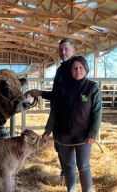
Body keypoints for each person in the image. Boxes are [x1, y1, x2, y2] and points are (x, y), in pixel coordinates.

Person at [42, 55, 102, 192]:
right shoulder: (63, 88)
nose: (78, 71)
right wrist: (47, 130)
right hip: (64, 133)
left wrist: (92, 134)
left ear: (86, 69)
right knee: (68, 164)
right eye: (74, 68)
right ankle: (71, 191)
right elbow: (54, 111)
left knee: (83, 165)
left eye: (81, 67)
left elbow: (97, 113)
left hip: (83, 134)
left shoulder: (92, 88)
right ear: (70, 71)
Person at [27, 38, 76, 179]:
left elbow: (63, 94)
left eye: (66, 49)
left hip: (70, 116)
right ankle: (65, 174)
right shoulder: (61, 69)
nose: (63, 52)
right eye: (61, 49)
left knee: (68, 148)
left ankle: (70, 176)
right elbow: (57, 94)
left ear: (74, 50)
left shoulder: (75, 68)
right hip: (58, 114)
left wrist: (41, 93)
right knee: (59, 146)